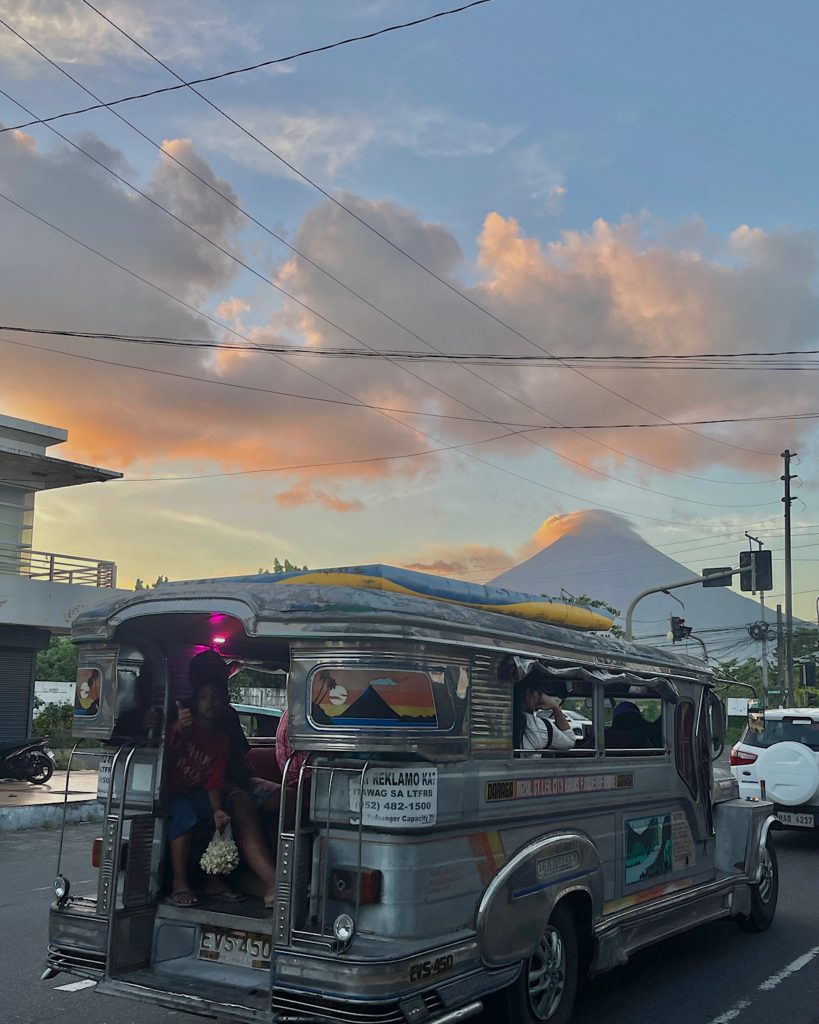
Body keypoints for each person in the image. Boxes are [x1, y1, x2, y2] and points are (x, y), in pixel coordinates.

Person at [188, 650, 278, 908]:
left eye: (219, 680)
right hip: (214, 786)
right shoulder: (185, 715)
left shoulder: (227, 714)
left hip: (242, 780)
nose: (213, 696)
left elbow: (242, 755)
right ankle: (272, 882)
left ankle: (283, 866)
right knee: (240, 802)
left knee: (289, 801)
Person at [165, 673, 245, 907]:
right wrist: (180, 727)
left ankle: (213, 880)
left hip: (194, 791)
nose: (210, 702)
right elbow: (172, 740)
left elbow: (214, 780)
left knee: (222, 815)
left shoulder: (222, 741)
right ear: (194, 702)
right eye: (203, 697)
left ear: (225, 703)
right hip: (170, 792)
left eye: (216, 697)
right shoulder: (187, 726)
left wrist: (217, 810)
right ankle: (179, 883)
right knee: (185, 815)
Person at [513, 677, 576, 755]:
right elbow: (570, 741)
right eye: (539, 692)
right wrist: (556, 707)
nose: (540, 697)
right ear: (528, 693)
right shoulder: (540, 726)